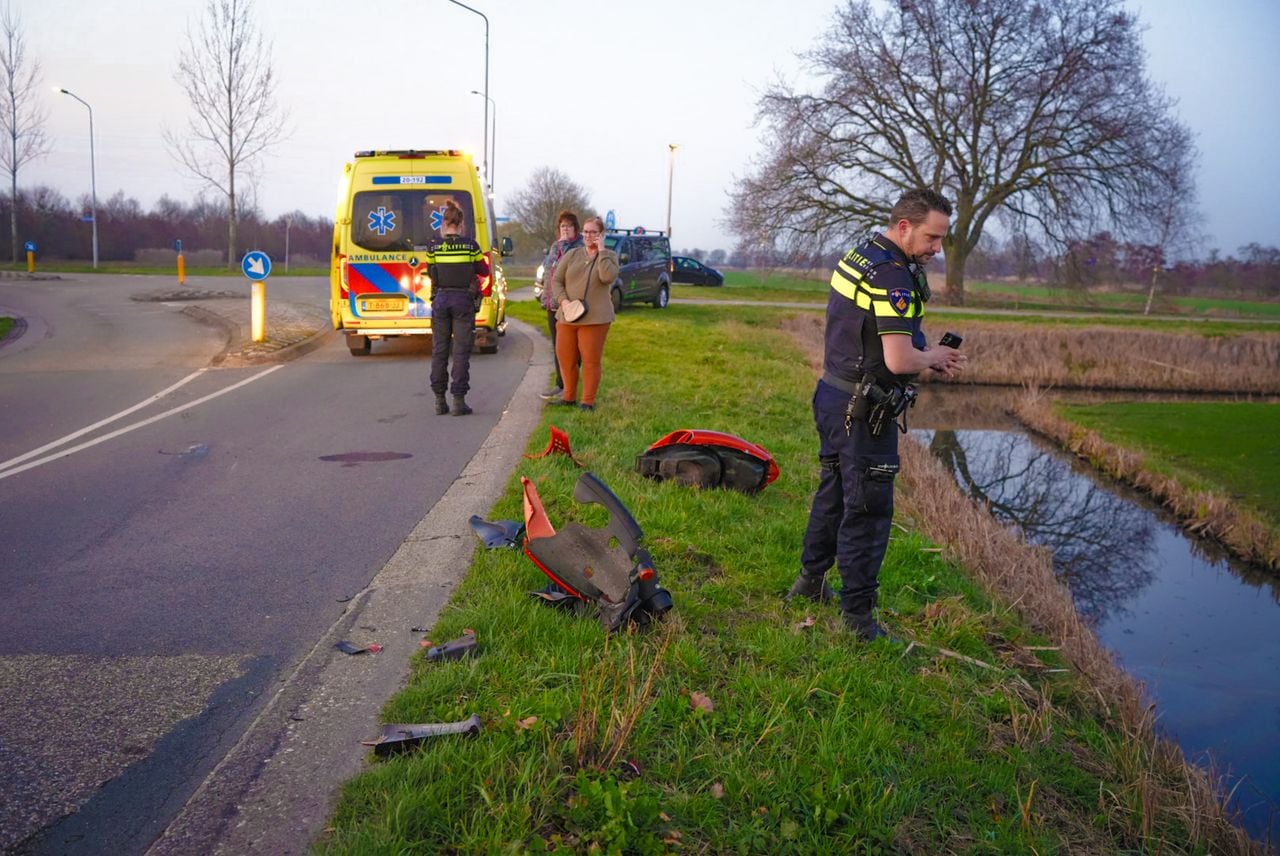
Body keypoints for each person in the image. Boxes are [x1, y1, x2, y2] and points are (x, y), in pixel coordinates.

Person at [787, 188, 967, 641]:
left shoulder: (861, 254)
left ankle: (809, 583)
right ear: (904, 226)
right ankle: (859, 619)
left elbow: (868, 332)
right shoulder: (894, 276)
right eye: (932, 238)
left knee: (833, 493)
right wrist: (934, 357)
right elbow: (899, 360)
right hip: (865, 413)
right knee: (867, 510)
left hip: (832, 395)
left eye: (942, 239)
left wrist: (924, 352)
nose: (936, 249)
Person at [425, 198, 490, 416]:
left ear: (444, 224)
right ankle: (458, 401)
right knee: (461, 352)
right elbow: (484, 271)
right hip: (463, 301)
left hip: (441, 300)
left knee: (439, 350)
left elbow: (431, 272)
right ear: (461, 225)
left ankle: (439, 400)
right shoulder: (471, 246)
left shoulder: (433, 247)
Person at [549, 215, 619, 411]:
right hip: (568, 315)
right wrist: (564, 301)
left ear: (601, 234)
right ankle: (568, 396)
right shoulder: (572, 255)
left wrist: (602, 251)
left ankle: (588, 401)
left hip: (595, 318)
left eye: (593, 232)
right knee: (565, 357)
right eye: (586, 232)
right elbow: (556, 280)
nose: (589, 236)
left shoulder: (609, 257)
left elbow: (607, 277)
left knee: (590, 360)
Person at [538, 211, 584, 400]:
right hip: (553, 303)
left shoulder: (579, 248)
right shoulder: (554, 246)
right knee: (558, 347)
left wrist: (564, 245)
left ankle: (569, 384)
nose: (565, 230)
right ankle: (561, 384)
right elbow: (550, 270)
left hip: (570, 304)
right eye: (562, 226)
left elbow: (568, 269)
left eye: (568, 226)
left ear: (575, 228)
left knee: (574, 349)